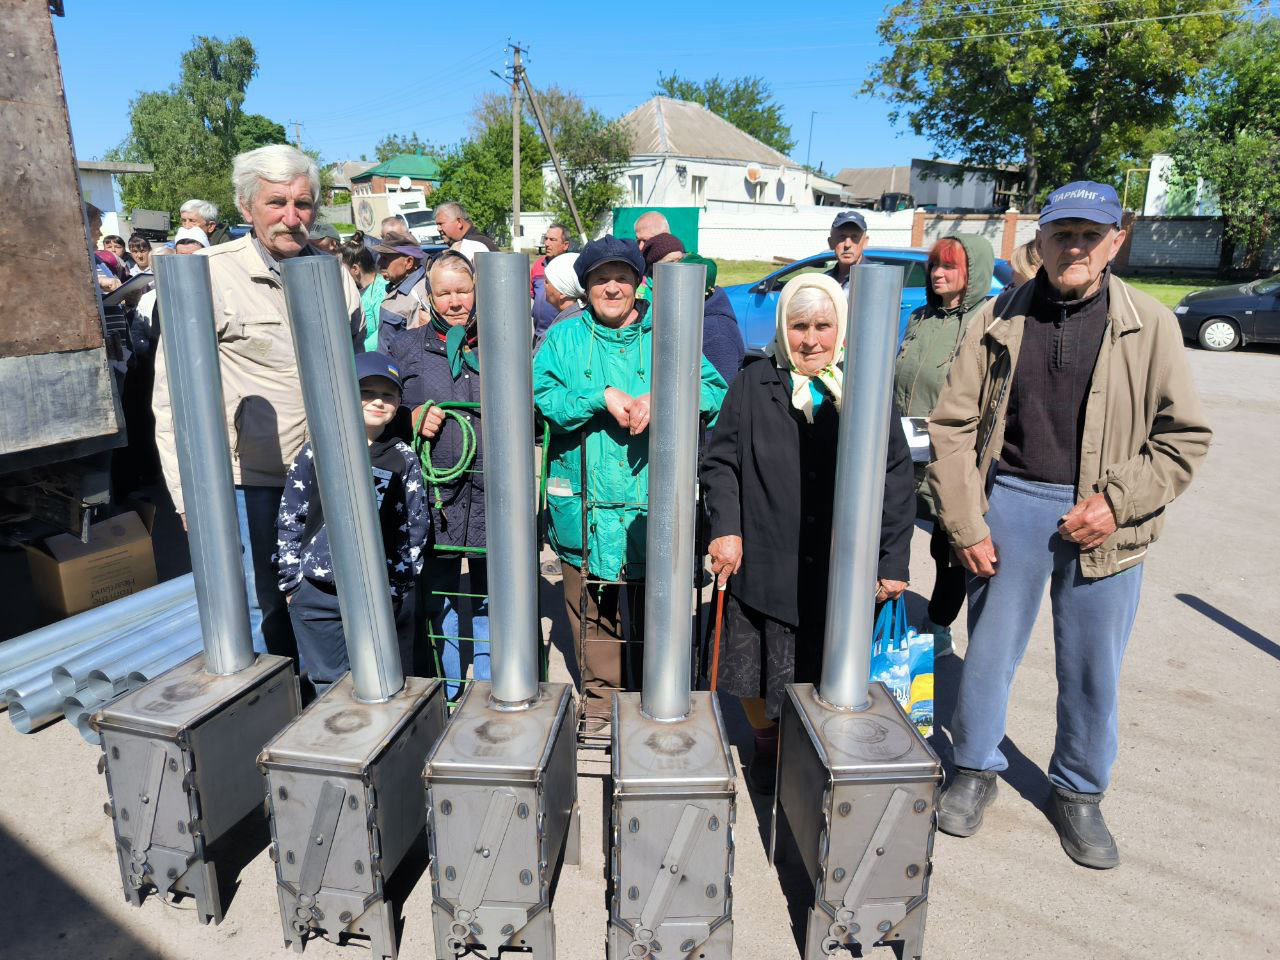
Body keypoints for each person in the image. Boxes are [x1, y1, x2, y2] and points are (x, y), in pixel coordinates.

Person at [927, 181, 1212, 868]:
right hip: (1011, 505)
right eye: (1063, 234)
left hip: (1106, 517)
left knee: (1092, 669)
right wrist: (966, 521)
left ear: (1116, 240)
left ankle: (1079, 791)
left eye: (1091, 234)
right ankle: (974, 768)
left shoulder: (1151, 324)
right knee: (989, 657)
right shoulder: (996, 316)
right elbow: (953, 425)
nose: (1075, 246)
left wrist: (1117, 502)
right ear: (1041, 243)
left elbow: (1184, 439)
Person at [152, 144, 364, 661]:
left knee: (327, 597)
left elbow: (357, 371)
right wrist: (187, 496)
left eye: (303, 204)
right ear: (247, 209)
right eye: (276, 204)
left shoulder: (333, 275)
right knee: (258, 603)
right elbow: (170, 398)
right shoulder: (209, 274)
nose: (292, 219)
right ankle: (265, 709)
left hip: (325, 477)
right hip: (250, 484)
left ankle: (318, 706)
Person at [703, 272, 914, 791]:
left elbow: (895, 474)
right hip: (766, 559)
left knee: (827, 667)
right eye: (799, 326)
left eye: (823, 325)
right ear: (783, 327)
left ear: (840, 328)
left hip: (839, 566)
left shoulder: (864, 385)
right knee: (754, 666)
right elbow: (720, 461)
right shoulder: (755, 380)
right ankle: (768, 743)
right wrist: (726, 528)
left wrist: (891, 561)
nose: (811, 339)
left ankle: (815, 750)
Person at [534, 236, 728, 728]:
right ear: (587, 287)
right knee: (589, 604)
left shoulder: (668, 332)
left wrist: (662, 398)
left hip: (650, 499)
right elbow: (540, 397)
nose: (612, 287)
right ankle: (600, 701)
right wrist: (600, 395)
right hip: (583, 497)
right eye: (601, 279)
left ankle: (650, 694)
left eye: (622, 277)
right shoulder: (563, 336)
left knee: (653, 603)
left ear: (640, 281)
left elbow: (713, 390)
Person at [277, 352, 427, 697]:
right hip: (317, 591)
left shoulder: (402, 457)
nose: (377, 401)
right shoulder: (317, 451)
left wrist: (400, 584)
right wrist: (292, 582)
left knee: (384, 680)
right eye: (367, 392)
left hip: (380, 592)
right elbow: (291, 517)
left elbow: (414, 525)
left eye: (387, 395)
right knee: (325, 682)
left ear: (399, 402)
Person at [386, 252, 489, 698]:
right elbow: (379, 407)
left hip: (491, 492)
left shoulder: (500, 343)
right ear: (428, 296)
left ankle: (490, 687)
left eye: (462, 291)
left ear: (476, 291)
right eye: (443, 293)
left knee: (491, 597)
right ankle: (445, 690)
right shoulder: (406, 347)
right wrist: (409, 417)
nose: (454, 302)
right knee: (440, 595)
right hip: (435, 496)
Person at [894, 234, 995, 656]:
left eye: (949, 266)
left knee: (947, 547)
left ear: (972, 273)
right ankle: (881, 621)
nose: (937, 273)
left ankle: (938, 626)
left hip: (950, 456)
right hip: (904, 451)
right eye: (935, 264)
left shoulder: (987, 321)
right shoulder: (921, 317)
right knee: (889, 537)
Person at [642, 235, 746, 386]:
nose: (681, 268)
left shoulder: (714, 332)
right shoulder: (681, 315)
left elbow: (721, 393)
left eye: (681, 259)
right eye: (670, 264)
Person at [341, 240, 396, 352]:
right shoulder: (356, 290)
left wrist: (354, 352)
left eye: (342, 270)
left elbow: (380, 332)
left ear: (355, 269)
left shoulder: (381, 290)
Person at [534, 252, 586, 350]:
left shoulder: (558, 334)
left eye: (547, 282)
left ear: (562, 292)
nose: (543, 285)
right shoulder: (584, 316)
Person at [531, 222, 572, 337]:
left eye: (552, 240)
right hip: (539, 335)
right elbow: (533, 294)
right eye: (546, 239)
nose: (546, 243)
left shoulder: (572, 267)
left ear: (565, 245)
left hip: (563, 335)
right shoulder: (538, 265)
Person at [376, 235, 427, 323]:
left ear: (408, 262)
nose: (380, 263)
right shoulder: (396, 287)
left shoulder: (419, 295)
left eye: (385, 258)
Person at [825, 209, 869, 288]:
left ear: (865, 242)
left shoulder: (876, 279)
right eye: (842, 237)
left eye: (854, 237)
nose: (847, 245)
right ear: (831, 242)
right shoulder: (825, 280)